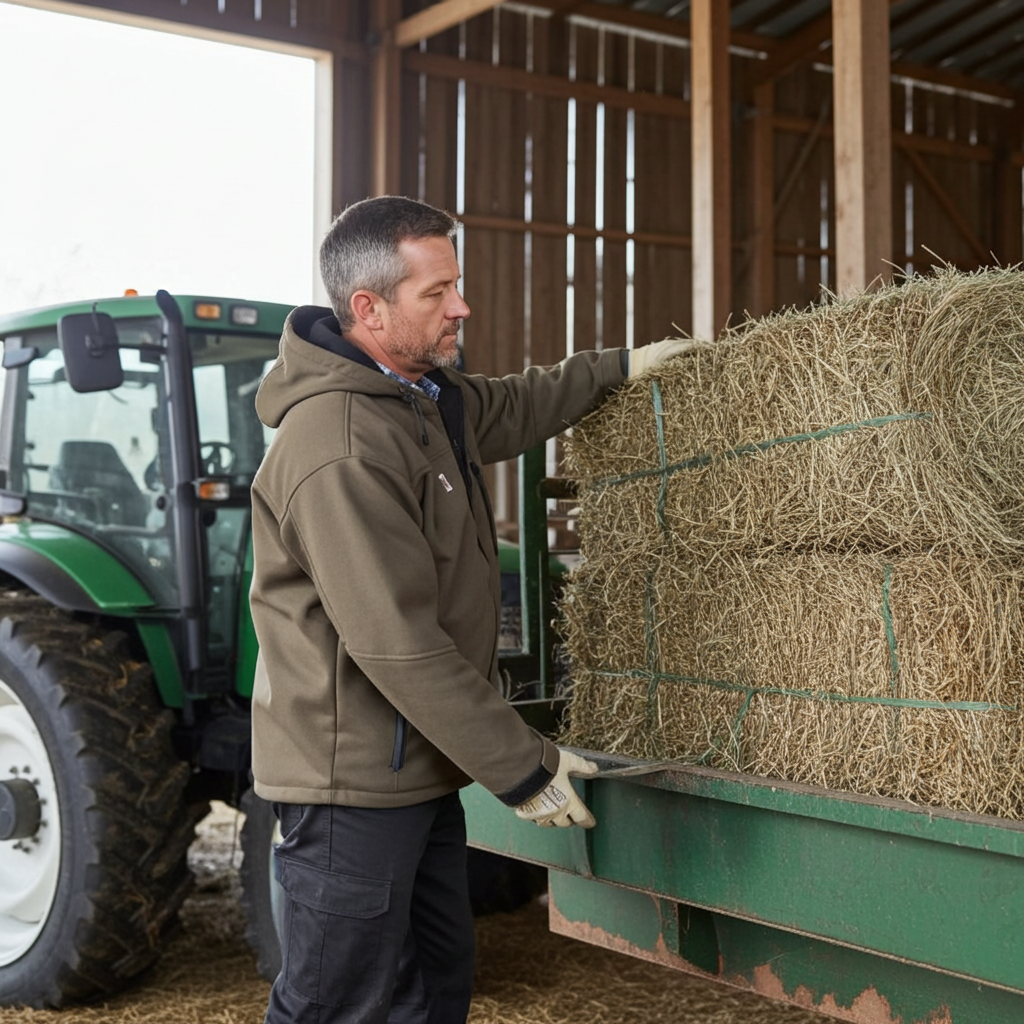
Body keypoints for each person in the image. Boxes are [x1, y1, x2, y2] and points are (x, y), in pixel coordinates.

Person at [248, 195, 691, 1024]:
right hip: (352, 788)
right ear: (367, 308)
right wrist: (522, 765)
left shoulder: (419, 399)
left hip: (416, 771)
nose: (462, 306)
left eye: (457, 285)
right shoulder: (339, 443)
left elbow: (512, 405)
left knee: (434, 993)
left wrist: (621, 367)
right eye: (436, 293)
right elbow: (395, 643)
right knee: (337, 1007)